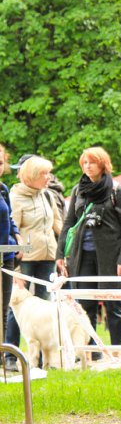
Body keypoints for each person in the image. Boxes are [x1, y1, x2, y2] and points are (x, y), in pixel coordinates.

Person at [56, 147, 121, 353]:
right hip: (82, 256)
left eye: (92, 162)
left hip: (110, 257)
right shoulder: (77, 190)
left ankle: (118, 351)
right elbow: (69, 223)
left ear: (103, 165)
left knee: (113, 306)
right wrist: (60, 254)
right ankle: (90, 352)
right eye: (84, 162)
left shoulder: (117, 190)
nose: (87, 166)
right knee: (85, 305)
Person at [4, 155, 62, 371]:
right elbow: (12, 231)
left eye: (48, 173)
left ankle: (46, 360)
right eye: (43, 174)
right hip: (24, 260)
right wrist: (16, 269)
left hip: (48, 257)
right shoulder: (15, 197)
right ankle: (11, 357)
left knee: (45, 307)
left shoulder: (47, 195)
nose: (48, 177)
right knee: (17, 309)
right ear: (31, 176)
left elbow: (58, 224)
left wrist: (64, 251)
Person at [0, 144, 22, 372]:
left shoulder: (3, 188)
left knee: (2, 309)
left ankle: (3, 358)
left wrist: (16, 236)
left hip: (5, 255)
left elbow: (10, 217)